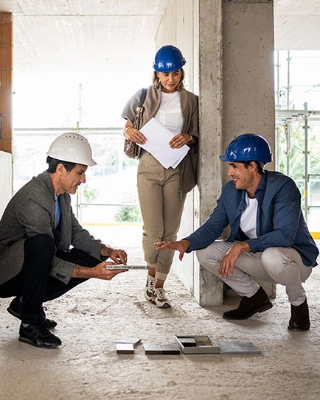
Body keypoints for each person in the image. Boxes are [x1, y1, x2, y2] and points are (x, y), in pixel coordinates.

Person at [156, 133, 319, 330]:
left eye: (234, 166)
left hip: (293, 260)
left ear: (252, 166)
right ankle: (254, 298)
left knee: (272, 255)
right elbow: (213, 226)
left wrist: (243, 245)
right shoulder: (230, 191)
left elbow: (285, 235)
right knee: (205, 253)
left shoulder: (283, 187)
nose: (230, 173)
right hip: (259, 257)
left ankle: (298, 304)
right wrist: (186, 243)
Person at [0, 132, 128, 348]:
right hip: (7, 272)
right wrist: (92, 273)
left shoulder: (61, 195)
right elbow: (45, 258)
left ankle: (25, 304)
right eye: (80, 173)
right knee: (43, 244)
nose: (83, 180)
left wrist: (107, 250)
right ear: (61, 169)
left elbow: (76, 233)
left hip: (30, 264)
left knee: (90, 256)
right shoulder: (34, 199)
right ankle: (29, 324)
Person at [121, 45, 199, 308]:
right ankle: (151, 278)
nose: (170, 79)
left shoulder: (191, 101)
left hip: (176, 167)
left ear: (181, 72)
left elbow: (196, 133)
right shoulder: (143, 96)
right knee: (153, 229)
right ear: (156, 73)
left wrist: (188, 136)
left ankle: (160, 286)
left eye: (175, 73)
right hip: (149, 167)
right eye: (165, 74)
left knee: (170, 230)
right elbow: (127, 125)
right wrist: (129, 132)